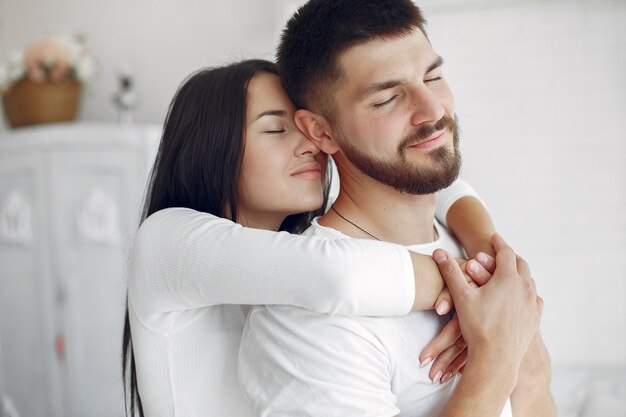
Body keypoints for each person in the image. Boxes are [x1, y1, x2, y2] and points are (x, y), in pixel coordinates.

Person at [122, 59, 499, 416]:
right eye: (275, 130)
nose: (312, 147)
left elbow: (439, 187)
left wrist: (492, 251)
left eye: (309, 130)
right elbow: (338, 277)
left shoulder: (299, 241)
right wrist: (483, 287)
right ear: (211, 150)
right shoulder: (165, 239)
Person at [238, 1, 555, 416]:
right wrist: (497, 358)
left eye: (433, 76)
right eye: (388, 98)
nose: (434, 110)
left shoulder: (468, 243)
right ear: (321, 131)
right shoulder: (307, 323)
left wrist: (528, 372)